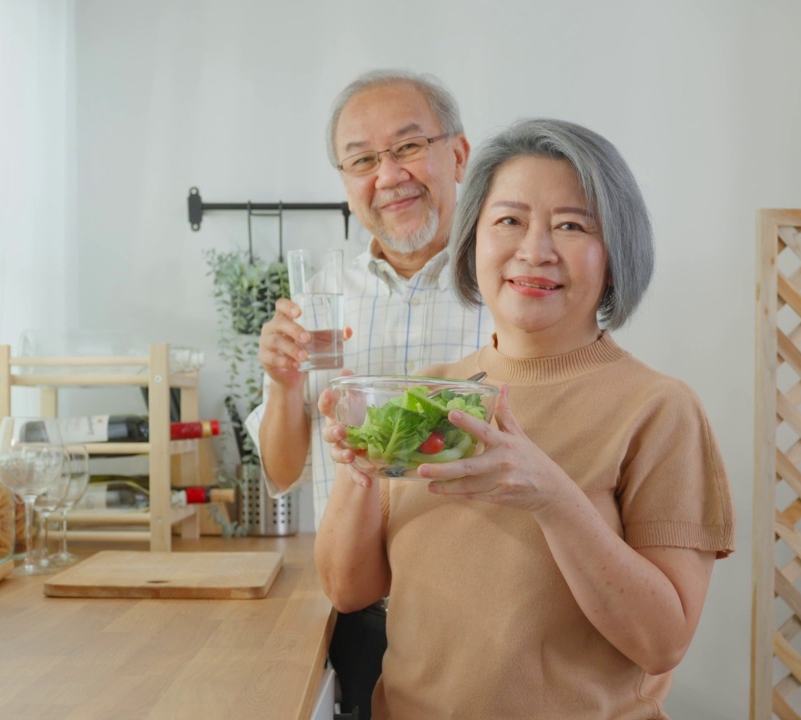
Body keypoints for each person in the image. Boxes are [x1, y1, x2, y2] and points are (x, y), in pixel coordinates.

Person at [315, 118, 736, 719]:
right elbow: (349, 589)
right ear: (472, 243)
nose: (534, 250)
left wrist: (552, 496)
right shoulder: (429, 395)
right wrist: (358, 472)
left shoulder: (658, 408)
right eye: (509, 221)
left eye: (570, 225)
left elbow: (662, 643)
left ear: (615, 256)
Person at [243, 69, 493, 720]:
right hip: (358, 610)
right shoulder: (319, 299)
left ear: (459, 154)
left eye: (409, 147)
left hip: (490, 608)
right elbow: (282, 472)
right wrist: (282, 384)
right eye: (361, 160)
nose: (389, 175)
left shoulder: (509, 282)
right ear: (346, 180)